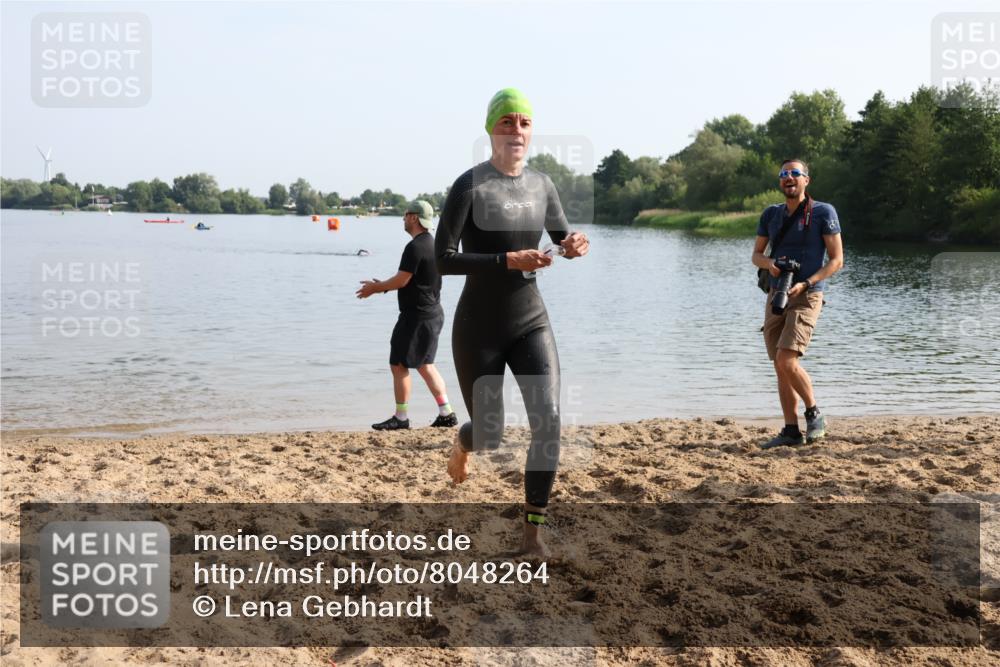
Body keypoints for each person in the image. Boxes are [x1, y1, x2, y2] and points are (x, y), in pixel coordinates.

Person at [435, 88, 590, 556]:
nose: (516, 130)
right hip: (478, 326)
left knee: (549, 422)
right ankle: (461, 447)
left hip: (530, 320)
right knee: (489, 433)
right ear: (491, 129)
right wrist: (506, 259)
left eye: (523, 122)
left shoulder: (543, 185)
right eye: (507, 122)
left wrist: (575, 243)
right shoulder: (470, 186)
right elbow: (442, 259)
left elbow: (563, 237)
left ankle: (531, 536)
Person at [752, 159, 844, 448]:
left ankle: (814, 413)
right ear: (780, 182)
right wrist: (771, 264)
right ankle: (791, 431)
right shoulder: (771, 214)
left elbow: (837, 260)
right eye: (784, 174)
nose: (788, 178)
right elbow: (756, 255)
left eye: (795, 174)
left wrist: (807, 282)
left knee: (786, 359)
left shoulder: (822, 212)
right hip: (777, 293)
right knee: (780, 366)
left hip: (808, 293)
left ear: (807, 180)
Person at [356, 200, 458, 430]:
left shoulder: (415, 247)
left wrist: (376, 287)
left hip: (416, 316)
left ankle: (401, 418)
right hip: (433, 313)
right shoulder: (434, 244)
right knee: (425, 364)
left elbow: (403, 279)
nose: (403, 219)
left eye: (405, 215)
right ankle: (446, 413)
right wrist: (382, 285)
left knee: (399, 364)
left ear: (414, 218)